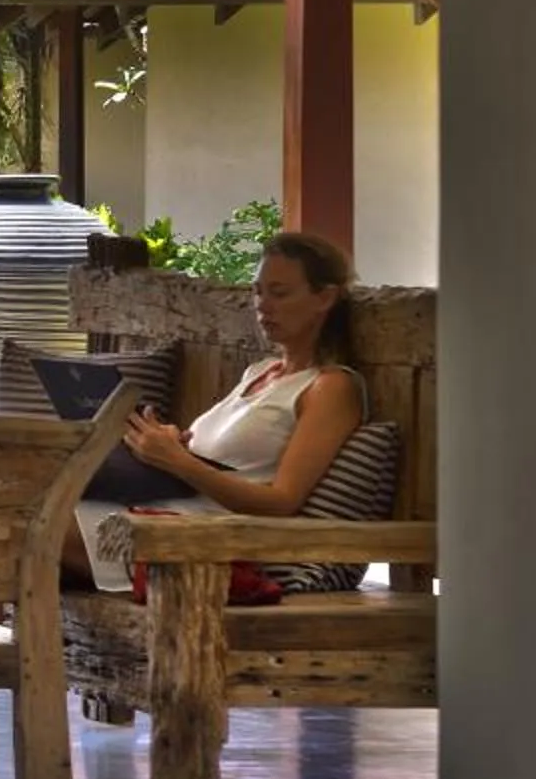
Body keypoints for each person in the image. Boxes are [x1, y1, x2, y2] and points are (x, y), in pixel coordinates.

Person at [73, 229, 365, 595]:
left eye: (280, 293)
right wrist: (167, 445)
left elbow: (281, 502)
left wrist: (179, 462)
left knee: (16, 530)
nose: (263, 305)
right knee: (11, 518)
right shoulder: (259, 372)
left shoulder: (330, 387)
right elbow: (209, 459)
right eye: (258, 291)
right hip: (162, 512)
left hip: (205, 538)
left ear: (325, 297)